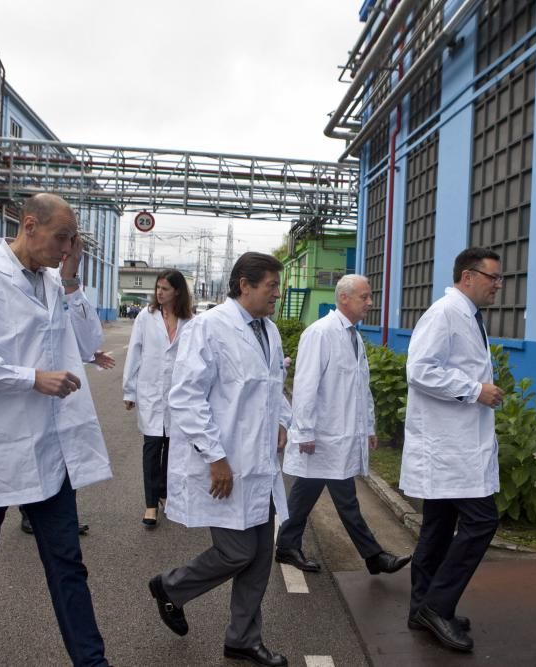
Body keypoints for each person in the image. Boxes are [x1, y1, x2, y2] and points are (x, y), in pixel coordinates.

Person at [0, 193, 112, 667]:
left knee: (67, 563)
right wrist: (29, 377)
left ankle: (92, 662)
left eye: (73, 240)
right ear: (29, 226)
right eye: (62, 238)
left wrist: (72, 281)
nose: (68, 247)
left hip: (49, 449)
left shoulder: (55, 281)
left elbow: (90, 343)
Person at [148, 252, 291, 667]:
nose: (276, 295)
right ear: (244, 285)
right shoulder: (211, 328)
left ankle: (243, 639)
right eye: (271, 286)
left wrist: (282, 421)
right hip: (225, 465)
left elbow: (271, 385)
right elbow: (187, 397)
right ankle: (170, 587)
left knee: (260, 557)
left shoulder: (268, 330)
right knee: (236, 552)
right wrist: (216, 457)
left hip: (259, 462)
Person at [401, 247, 505, 653]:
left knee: (438, 528)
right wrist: (475, 390)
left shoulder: (469, 317)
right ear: (467, 276)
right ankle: (438, 606)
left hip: (457, 443)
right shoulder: (445, 314)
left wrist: (477, 390)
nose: (498, 286)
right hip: (448, 446)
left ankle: (421, 607)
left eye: (500, 279)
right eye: (492, 277)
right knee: (481, 522)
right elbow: (420, 369)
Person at [276, 274, 411, 576]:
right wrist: (306, 431)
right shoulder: (320, 333)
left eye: (369, 296)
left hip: (339, 435)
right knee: (342, 498)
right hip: (323, 435)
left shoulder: (353, 337)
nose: (370, 302)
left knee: (308, 493)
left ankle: (287, 546)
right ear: (344, 298)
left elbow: (361, 388)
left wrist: (369, 427)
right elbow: (306, 385)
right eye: (365, 297)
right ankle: (373, 556)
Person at [123, 268, 193, 528]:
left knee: (173, 449)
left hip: (178, 395)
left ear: (177, 291)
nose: (159, 293)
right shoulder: (146, 316)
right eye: (157, 288)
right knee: (152, 448)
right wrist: (129, 390)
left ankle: (164, 492)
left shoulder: (190, 320)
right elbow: (134, 353)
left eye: (164, 289)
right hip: (151, 392)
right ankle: (151, 504)